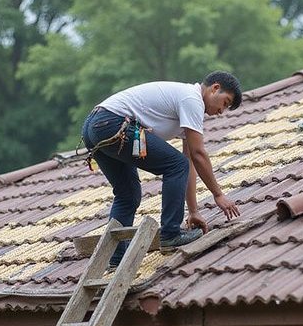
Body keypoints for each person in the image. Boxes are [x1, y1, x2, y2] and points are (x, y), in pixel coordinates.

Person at [81, 71, 242, 266]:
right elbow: (199, 154)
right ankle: (170, 234)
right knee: (175, 165)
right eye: (225, 103)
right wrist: (218, 195)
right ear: (215, 88)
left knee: (128, 194)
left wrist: (193, 211)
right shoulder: (192, 99)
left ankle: (115, 259)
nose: (221, 112)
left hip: (94, 127)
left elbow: (189, 161)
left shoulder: (188, 108)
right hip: (112, 123)